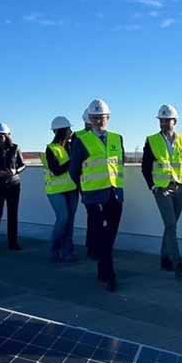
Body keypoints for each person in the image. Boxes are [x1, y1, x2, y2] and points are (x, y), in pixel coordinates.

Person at [70, 99, 124, 291]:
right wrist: (85, 189)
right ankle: (110, 275)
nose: (98, 121)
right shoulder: (80, 140)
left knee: (110, 236)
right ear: (89, 119)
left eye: (101, 117)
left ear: (107, 118)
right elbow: (73, 170)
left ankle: (103, 270)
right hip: (94, 196)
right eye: (94, 118)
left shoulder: (117, 138)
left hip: (115, 194)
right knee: (104, 234)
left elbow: (119, 164)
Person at [142, 104, 182, 278]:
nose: (163, 123)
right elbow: (145, 167)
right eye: (161, 120)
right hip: (162, 189)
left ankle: (164, 258)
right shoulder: (152, 140)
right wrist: (153, 186)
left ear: (174, 121)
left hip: (181, 187)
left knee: (171, 226)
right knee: (171, 225)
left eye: (166, 120)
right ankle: (178, 263)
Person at [42, 116, 79, 262]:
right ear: (61, 131)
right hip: (56, 190)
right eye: (69, 129)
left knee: (70, 220)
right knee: (63, 218)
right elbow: (56, 170)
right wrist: (72, 161)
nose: (71, 131)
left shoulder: (72, 146)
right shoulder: (51, 149)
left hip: (72, 188)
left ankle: (67, 251)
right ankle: (54, 249)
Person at [81, 108, 97, 260]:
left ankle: (95, 246)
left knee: (97, 216)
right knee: (93, 216)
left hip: (102, 185)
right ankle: (92, 247)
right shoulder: (79, 137)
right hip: (86, 186)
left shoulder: (101, 136)